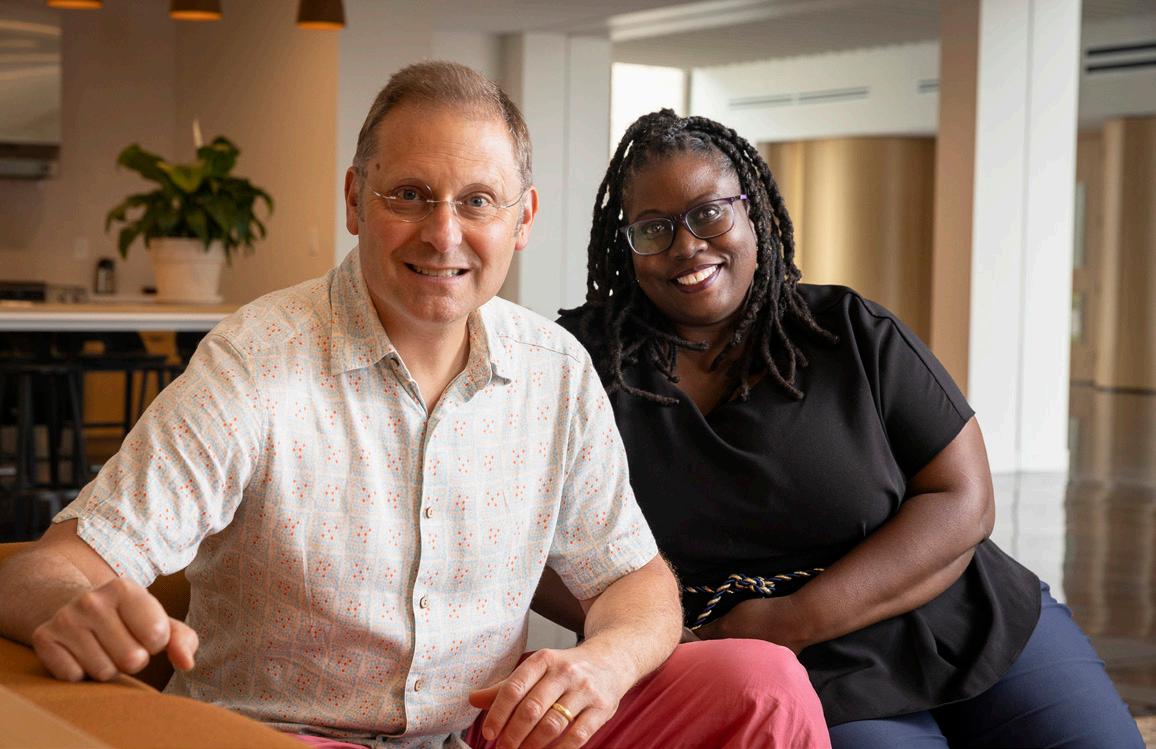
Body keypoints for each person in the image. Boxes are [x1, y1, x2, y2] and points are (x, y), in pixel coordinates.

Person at [0, 67, 829, 749]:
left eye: (478, 200)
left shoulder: (556, 371)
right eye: (409, 194)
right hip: (281, 734)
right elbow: (40, 570)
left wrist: (601, 665)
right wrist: (72, 607)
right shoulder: (256, 361)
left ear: (523, 218)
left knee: (761, 683)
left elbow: (634, 579)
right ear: (354, 200)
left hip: (483, 734)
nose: (444, 234)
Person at [546, 108, 1145, 748]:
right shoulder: (578, 365)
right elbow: (521, 543)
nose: (687, 244)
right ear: (626, 244)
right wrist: (641, 633)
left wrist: (793, 619)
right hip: (791, 670)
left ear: (753, 214)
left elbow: (964, 499)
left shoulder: (847, 329)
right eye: (654, 228)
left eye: (710, 213)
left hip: (961, 616)